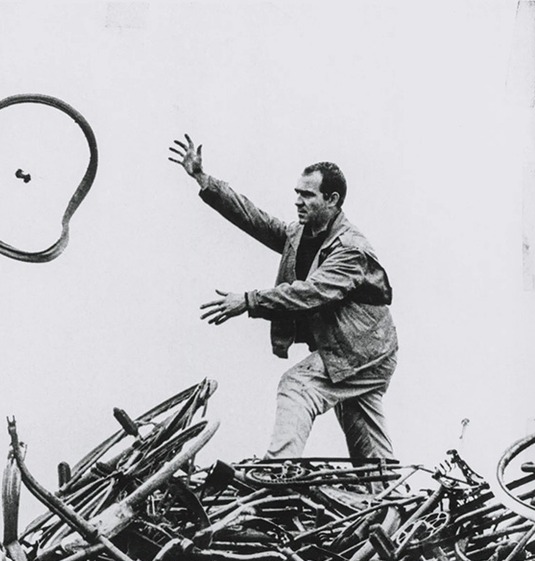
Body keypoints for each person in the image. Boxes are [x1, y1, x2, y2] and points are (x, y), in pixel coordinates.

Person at [168, 134, 398, 462]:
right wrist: (204, 180)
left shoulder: (351, 249)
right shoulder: (300, 234)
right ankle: (383, 496)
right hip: (355, 351)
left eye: (307, 195)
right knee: (364, 429)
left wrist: (248, 301)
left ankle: (277, 470)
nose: (298, 201)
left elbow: (311, 293)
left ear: (332, 199)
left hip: (362, 351)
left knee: (297, 386)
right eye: (297, 194)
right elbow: (255, 219)